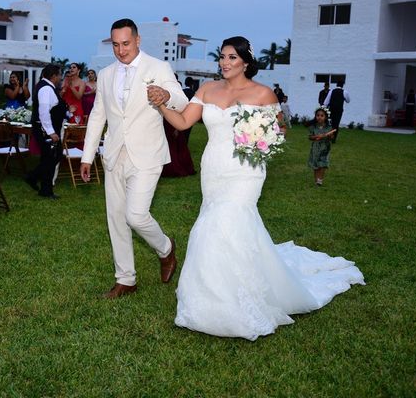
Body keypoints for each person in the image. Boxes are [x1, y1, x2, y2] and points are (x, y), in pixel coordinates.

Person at [151, 35, 364, 339]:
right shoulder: (207, 89)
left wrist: (257, 138)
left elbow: (280, 130)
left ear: (246, 62)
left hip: (246, 170)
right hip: (214, 169)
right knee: (217, 223)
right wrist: (162, 106)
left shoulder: (263, 94)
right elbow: (184, 122)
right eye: (222, 57)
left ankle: (237, 304)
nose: (225, 62)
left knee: (224, 223)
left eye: (231, 58)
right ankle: (210, 298)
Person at [80, 18, 189, 299]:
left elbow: (182, 100)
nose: (120, 50)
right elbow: (98, 116)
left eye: (126, 43)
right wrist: (87, 156)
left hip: (148, 154)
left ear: (138, 40)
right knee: (116, 218)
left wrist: (166, 94)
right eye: (115, 44)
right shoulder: (105, 75)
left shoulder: (158, 67)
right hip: (114, 154)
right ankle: (126, 279)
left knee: (135, 215)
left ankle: (166, 249)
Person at [25, 64, 66, 199]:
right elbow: (44, 112)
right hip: (45, 130)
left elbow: (54, 108)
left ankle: (43, 187)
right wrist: (51, 132)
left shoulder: (47, 87)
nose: (60, 78)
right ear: (54, 76)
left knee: (50, 158)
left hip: (46, 129)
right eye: (59, 75)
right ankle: (35, 179)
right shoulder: (46, 89)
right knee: (53, 157)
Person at [307, 107, 336, 186]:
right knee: (316, 164)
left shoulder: (329, 127)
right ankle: (316, 180)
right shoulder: (313, 127)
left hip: (325, 148)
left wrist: (329, 136)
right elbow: (310, 137)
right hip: (315, 148)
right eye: (318, 115)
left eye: (322, 115)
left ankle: (320, 180)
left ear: (326, 117)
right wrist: (317, 136)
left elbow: (332, 137)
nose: (319, 117)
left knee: (323, 164)